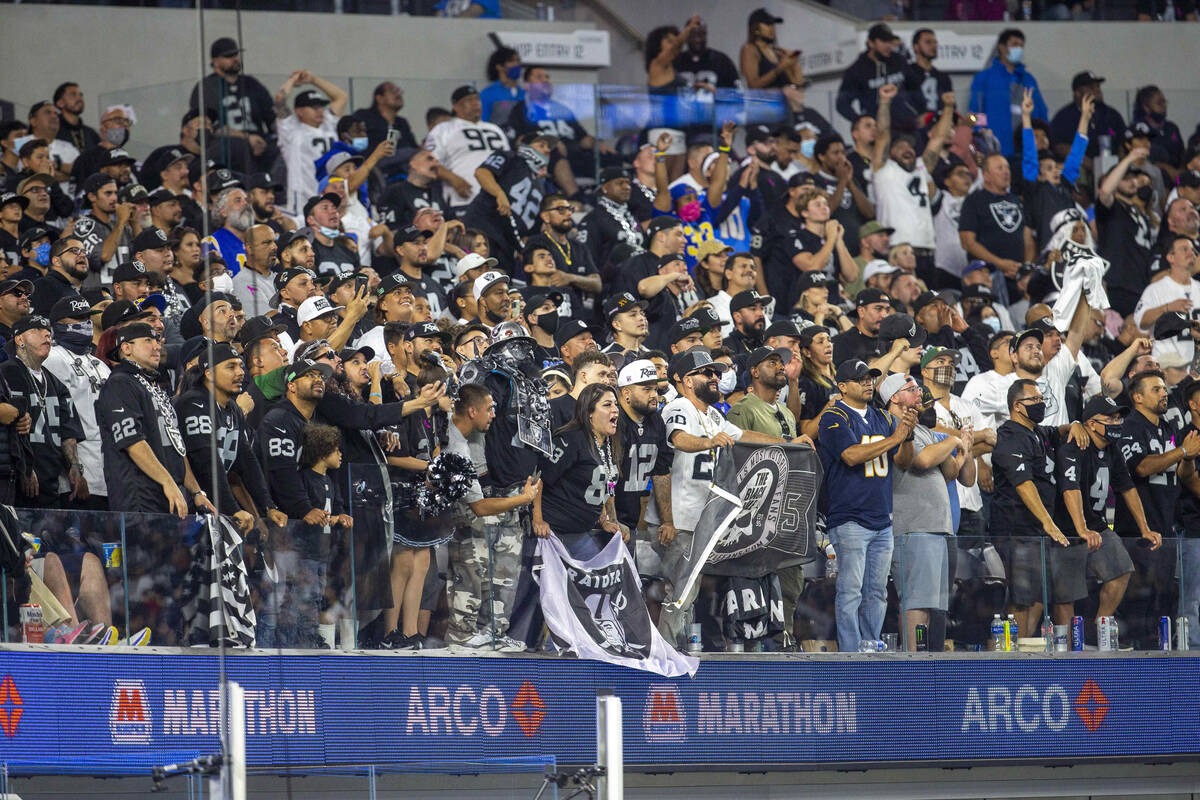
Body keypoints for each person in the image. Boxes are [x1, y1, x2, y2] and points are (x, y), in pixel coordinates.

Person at [818, 358, 916, 652]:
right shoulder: (833, 417)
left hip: (882, 518)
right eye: (860, 378)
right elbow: (850, 455)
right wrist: (896, 437)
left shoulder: (882, 418)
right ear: (842, 386)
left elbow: (903, 462)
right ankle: (850, 651)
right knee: (850, 590)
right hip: (849, 517)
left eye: (871, 377)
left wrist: (907, 436)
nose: (868, 382)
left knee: (877, 591)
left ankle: (870, 644)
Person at [444, 383, 539, 650]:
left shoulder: (462, 439)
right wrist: (523, 499)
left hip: (460, 516)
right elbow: (479, 507)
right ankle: (460, 637)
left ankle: (488, 635)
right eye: (490, 409)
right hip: (449, 521)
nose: (494, 415)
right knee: (470, 575)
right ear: (472, 411)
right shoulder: (454, 446)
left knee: (487, 577)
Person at [1053, 395, 1155, 638]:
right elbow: (1070, 487)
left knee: (1121, 569)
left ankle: (1102, 625)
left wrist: (1145, 528)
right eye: (1110, 418)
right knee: (1065, 597)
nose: (1117, 422)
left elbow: (1127, 488)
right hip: (1067, 529)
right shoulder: (1073, 445)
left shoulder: (1112, 449)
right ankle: (1067, 653)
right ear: (1091, 423)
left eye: (1118, 417)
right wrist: (1081, 528)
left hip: (1097, 524)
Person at [882, 372, 971, 652]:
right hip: (914, 527)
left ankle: (924, 662)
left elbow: (958, 474)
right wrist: (954, 441)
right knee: (916, 602)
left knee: (932, 606)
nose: (920, 393)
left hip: (937, 527)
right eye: (912, 389)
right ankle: (912, 666)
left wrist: (963, 448)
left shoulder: (926, 431)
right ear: (894, 397)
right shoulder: (892, 425)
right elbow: (922, 460)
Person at [96, 322, 215, 516]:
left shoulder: (152, 385)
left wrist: (196, 491)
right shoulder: (120, 384)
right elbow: (132, 441)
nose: (157, 346)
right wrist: (167, 482)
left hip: (169, 495)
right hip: (140, 498)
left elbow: (177, 445)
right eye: (148, 341)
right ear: (126, 348)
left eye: (157, 340)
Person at [872, 84, 955, 285]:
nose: (907, 148)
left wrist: (949, 107)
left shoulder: (921, 167)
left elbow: (939, 138)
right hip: (897, 251)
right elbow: (882, 134)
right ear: (890, 153)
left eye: (909, 146)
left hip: (927, 252)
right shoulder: (884, 171)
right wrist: (884, 102)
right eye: (900, 146)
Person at [1, 314, 85, 508]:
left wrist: (74, 465)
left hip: (52, 480)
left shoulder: (55, 382)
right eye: (37, 330)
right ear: (19, 339)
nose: (46, 334)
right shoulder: (7, 372)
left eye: (48, 331)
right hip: (18, 482)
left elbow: (67, 430)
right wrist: (25, 467)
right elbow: (9, 431)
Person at [275, 71, 348, 218]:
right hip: (303, 198)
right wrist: (293, 79)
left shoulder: (328, 123)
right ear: (299, 111)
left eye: (320, 106)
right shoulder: (291, 130)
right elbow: (279, 100)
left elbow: (342, 97)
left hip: (330, 195)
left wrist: (313, 79)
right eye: (313, 107)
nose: (319, 110)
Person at [425, 85, 510, 211]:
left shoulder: (495, 129)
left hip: (500, 200)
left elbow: (509, 159)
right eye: (469, 100)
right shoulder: (444, 129)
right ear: (456, 106)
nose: (475, 103)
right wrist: (453, 179)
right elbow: (429, 161)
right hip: (464, 199)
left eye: (477, 99)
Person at [1096, 144, 1156, 317]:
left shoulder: (1140, 214)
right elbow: (1106, 191)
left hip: (1141, 289)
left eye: (1133, 178)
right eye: (1125, 178)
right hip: (1117, 286)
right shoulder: (1111, 208)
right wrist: (1129, 158)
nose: (1132, 181)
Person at [959, 154, 1034, 288]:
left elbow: (1028, 239)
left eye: (1007, 168)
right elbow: (967, 242)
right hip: (988, 278)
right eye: (1000, 168)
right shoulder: (974, 201)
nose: (1006, 172)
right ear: (986, 175)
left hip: (1018, 279)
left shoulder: (1018, 201)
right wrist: (999, 264)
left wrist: (1024, 269)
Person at [968, 30, 1047, 158]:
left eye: (1021, 46)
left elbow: (1041, 113)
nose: (1019, 49)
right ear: (1002, 47)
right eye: (1015, 44)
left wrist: (1043, 138)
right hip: (995, 150)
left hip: (1027, 151)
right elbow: (974, 113)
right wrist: (980, 134)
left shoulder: (1029, 79)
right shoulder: (983, 78)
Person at [836, 23, 910, 125]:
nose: (888, 45)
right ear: (870, 43)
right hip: (876, 128)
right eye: (883, 41)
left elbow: (915, 89)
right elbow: (842, 104)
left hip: (904, 124)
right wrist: (859, 121)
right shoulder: (856, 70)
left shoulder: (899, 61)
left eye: (890, 41)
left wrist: (918, 113)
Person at [1049, 71, 1126, 161]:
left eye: (1098, 86)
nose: (1097, 90)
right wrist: (1087, 163)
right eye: (1091, 88)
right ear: (1077, 93)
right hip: (1078, 167)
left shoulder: (1111, 114)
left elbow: (1123, 141)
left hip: (1111, 164)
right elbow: (1059, 146)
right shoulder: (1064, 117)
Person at [739, 8, 803, 90]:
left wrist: (794, 64)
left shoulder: (777, 52)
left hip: (784, 101)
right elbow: (753, 86)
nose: (772, 28)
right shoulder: (749, 49)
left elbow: (798, 85)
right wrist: (780, 68)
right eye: (768, 24)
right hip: (764, 102)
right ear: (755, 27)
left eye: (773, 24)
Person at [832, 288, 892, 366]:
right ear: (861, 311)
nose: (884, 315)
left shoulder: (891, 343)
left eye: (887, 310)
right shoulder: (840, 344)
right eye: (878, 309)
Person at [904, 29, 953, 116]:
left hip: (941, 123)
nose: (933, 46)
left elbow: (952, 105)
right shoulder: (907, 74)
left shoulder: (943, 77)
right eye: (928, 42)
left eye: (935, 42)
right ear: (916, 47)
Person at [480, 47, 524, 125]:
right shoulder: (488, 94)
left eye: (518, 60)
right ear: (499, 66)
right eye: (511, 61)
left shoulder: (525, 93)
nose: (517, 64)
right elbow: (483, 123)